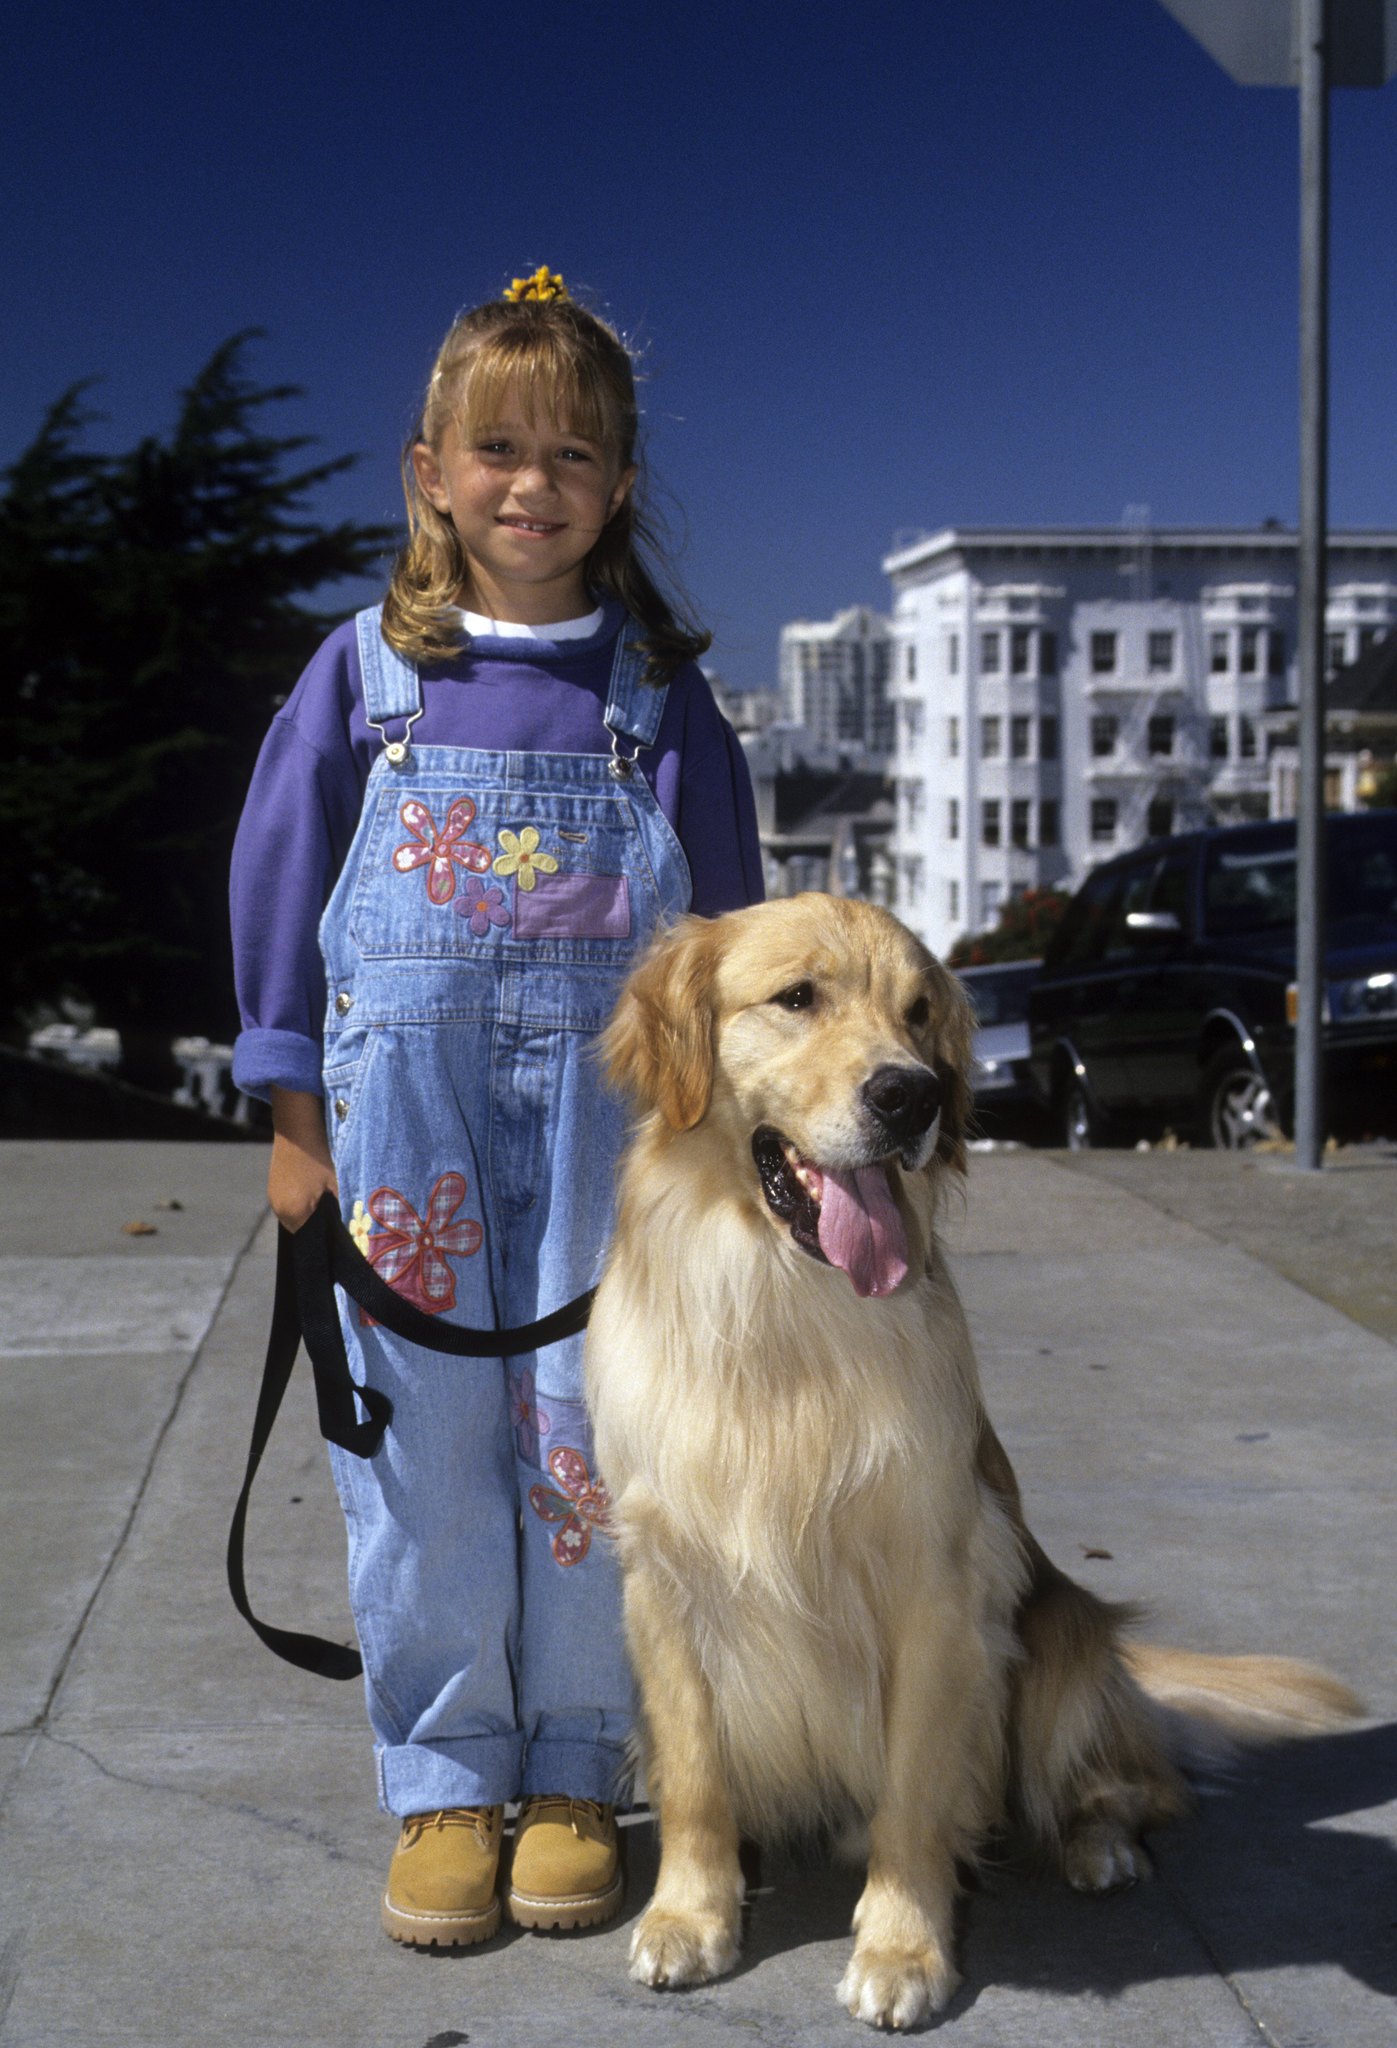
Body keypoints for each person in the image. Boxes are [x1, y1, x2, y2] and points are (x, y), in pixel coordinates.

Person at [230, 266, 763, 1949]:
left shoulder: (659, 700)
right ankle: (446, 1769)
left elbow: (730, 938)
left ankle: (579, 1762)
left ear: (618, 488)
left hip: (616, 1144)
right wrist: (290, 1107)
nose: (533, 485)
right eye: (500, 448)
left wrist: (736, 1146)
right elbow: (279, 880)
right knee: (421, 1451)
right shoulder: (365, 678)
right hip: (405, 1124)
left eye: (577, 455)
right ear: (430, 470)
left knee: (591, 1448)